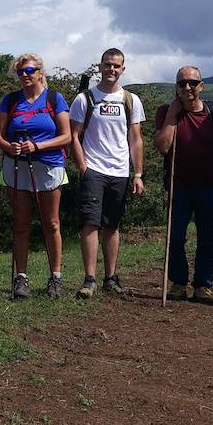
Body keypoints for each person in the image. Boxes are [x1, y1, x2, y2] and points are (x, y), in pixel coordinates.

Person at [68, 48, 145, 299]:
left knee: (112, 226)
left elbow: (135, 139)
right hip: (94, 170)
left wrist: (138, 173)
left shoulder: (131, 100)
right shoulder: (85, 99)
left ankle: (110, 278)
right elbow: (74, 136)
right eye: (107, 65)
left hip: (121, 171)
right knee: (90, 223)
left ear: (123, 69)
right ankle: (89, 279)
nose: (111, 69)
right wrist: (83, 167)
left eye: (116, 66)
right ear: (99, 67)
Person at [0, 53, 72, 299]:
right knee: (21, 224)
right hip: (17, 166)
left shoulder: (54, 98)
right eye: (20, 72)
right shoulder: (10, 100)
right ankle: (21, 278)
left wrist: (37, 146)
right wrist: (9, 147)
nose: (25, 75)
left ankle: (56, 278)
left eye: (29, 70)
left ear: (40, 72)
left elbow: (66, 136)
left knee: (51, 223)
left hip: (49, 165)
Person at [153, 66, 213, 303]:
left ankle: (203, 286)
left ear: (201, 85)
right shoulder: (166, 112)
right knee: (175, 238)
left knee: (207, 239)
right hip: (178, 187)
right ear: (176, 87)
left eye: (192, 83)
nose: (187, 87)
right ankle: (178, 283)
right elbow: (163, 147)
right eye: (181, 84)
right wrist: (171, 116)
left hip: (209, 186)